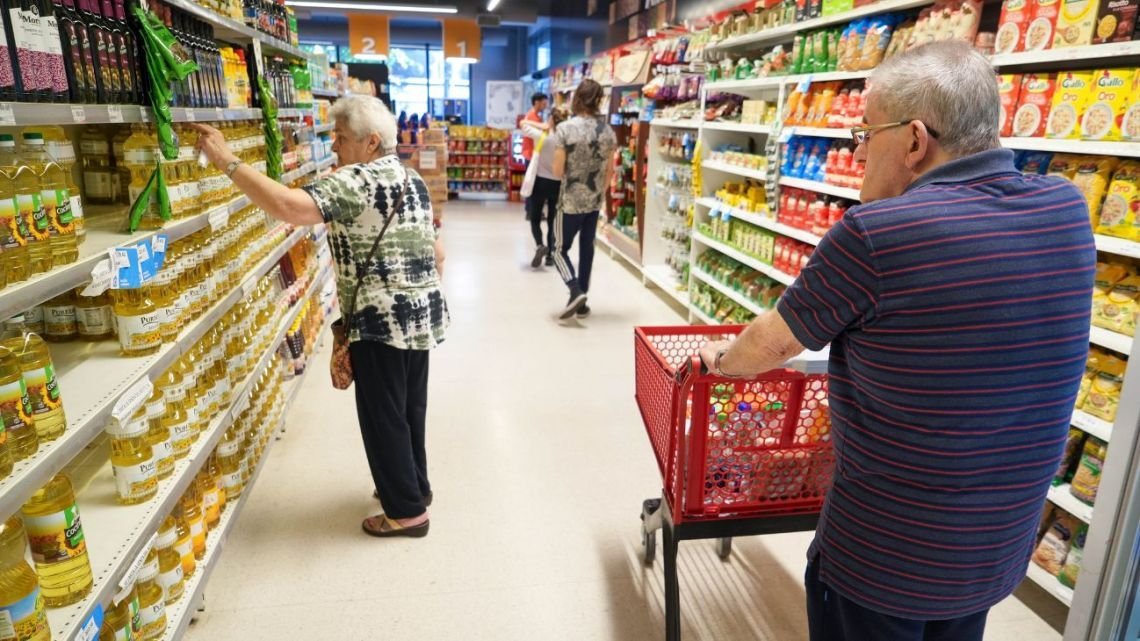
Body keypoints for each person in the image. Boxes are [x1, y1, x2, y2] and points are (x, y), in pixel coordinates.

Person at [698, 41, 1094, 641]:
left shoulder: (877, 235)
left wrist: (721, 363)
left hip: (882, 559)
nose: (856, 152)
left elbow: (767, 347)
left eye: (864, 134)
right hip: (992, 549)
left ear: (914, 140)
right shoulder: (1067, 207)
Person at [190, 95, 449, 540]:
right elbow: (437, 253)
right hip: (422, 314)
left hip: (379, 320)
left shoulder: (355, 181)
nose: (334, 146)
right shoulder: (412, 180)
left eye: (341, 138)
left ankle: (407, 513)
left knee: (382, 415)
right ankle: (414, 488)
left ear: (370, 142)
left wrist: (227, 161)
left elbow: (289, 207)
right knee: (409, 409)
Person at [551, 79, 617, 320]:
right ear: (598, 100)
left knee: (557, 249)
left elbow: (558, 171)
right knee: (586, 248)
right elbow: (610, 172)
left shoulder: (566, 129)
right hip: (594, 201)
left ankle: (575, 289)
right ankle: (582, 302)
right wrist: (598, 191)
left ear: (577, 98)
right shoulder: (608, 131)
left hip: (569, 202)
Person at [522, 107, 569, 268]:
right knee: (552, 221)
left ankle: (540, 244)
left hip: (540, 182)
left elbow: (522, 124)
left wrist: (541, 125)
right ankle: (550, 256)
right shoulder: (565, 140)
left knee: (535, 218)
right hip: (557, 183)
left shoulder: (541, 136)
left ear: (550, 121)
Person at [521, 92, 548, 164]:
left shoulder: (533, 115)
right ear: (537, 102)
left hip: (530, 153)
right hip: (531, 153)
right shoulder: (532, 117)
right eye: (544, 104)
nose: (545, 107)